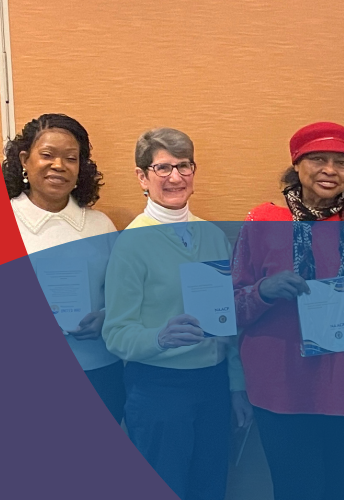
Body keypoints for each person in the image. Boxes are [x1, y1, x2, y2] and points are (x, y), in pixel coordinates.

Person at [231, 122, 344, 500]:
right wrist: (263, 291)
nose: (330, 170)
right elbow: (229, 308)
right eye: (318, 159)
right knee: (295, 491)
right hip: (281, 385)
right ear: (296, 164)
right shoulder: (262, 220)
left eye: (342, 162)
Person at [101, 127, 247, 500]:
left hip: (213, 386)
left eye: (184, 166)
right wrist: (159, 338)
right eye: (163, 168)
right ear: (142, 177)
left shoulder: (213, 236)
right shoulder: (131, 244)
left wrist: (236, 386)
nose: (176, 177)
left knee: (211, 489)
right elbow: (116, 333)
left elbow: (227, 324)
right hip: (158, 390)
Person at [3, 113, 125, 424]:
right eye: (47, 155)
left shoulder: (100, 225)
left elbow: (125, 294)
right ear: (24, 160)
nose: (59, 165)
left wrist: (107, 316)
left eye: (71, 158)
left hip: (99, 372)